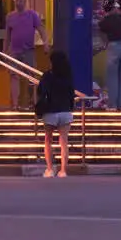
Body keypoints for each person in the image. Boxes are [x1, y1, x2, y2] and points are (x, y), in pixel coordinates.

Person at [34, 50, 77, 178]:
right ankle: (63, 170)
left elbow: (41, 91)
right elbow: (71, 94)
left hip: (50, 112)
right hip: (65, 111)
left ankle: (49, 169)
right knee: (63, 141)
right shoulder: (68, 76)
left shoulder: (47, 76)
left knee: (48, 140)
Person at [5, 0, 48, 108]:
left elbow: (41, 30)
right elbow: (7, 36)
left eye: (21, 1)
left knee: (31, 77)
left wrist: (46, 44)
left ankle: (31, 101)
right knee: (14, 76)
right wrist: (5, 51)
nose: (19, 3)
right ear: (14, 2)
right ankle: (15, 104)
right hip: (14, 52)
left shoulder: (32, 15)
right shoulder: (10, 17)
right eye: (17, 1)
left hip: (29, 50)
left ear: (25, 2)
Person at [98, 0, 121, 110]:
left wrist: (105, 44)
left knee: (112, 78)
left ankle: (112, 105)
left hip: (113, 47)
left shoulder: (103, 22)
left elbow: (103, 37)